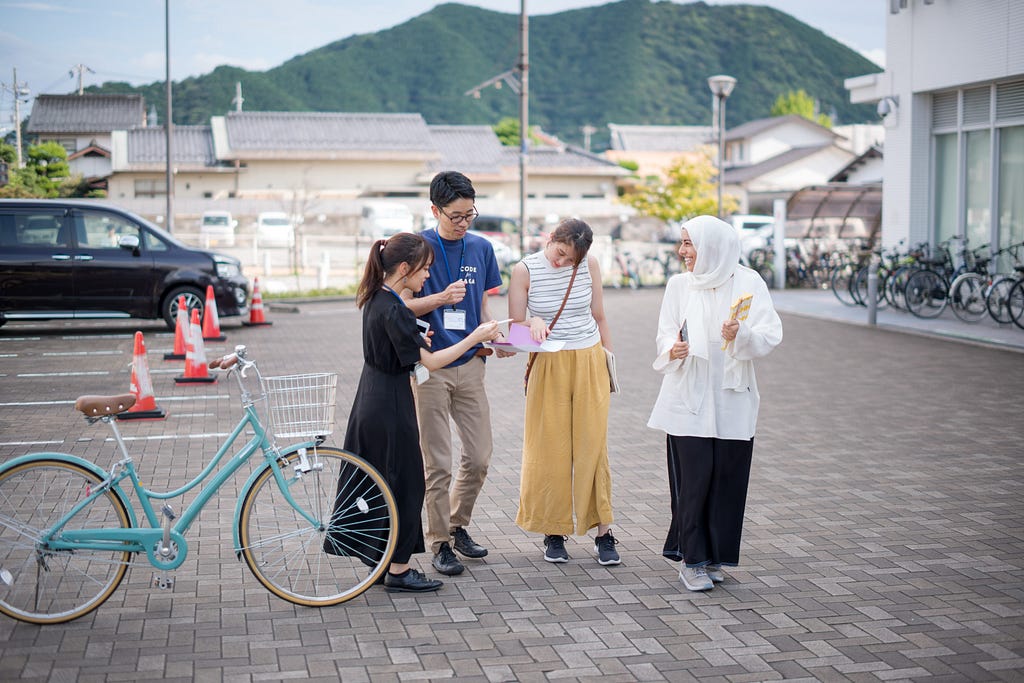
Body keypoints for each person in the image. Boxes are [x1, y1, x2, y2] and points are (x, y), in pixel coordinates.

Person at [325, 232, 500, 593]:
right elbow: (432, 362)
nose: (425, 280)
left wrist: (414, 340)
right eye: (424, 271)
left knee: (377, 478)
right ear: (405, 268)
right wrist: (474, 337)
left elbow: (403, 345)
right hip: (390, 402)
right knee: (406, 484)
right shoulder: (394, 308)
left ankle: (380, 557)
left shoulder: (377, 298)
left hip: (369, 396)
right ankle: (400, 569)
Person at [647, 215, 783, 591]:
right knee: (693, 481)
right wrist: (671, 348)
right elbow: (664, 332)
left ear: (713, 246)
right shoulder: (679, 285)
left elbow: (770, 333)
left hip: (731, 397)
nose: (682, 251)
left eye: (689, 243)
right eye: (683, 242)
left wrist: (742, 333)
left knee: (726, 478)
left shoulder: (749, 281)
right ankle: (691, 560)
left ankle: (714, 556)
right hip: (687, 396)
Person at [404, 171, 508, 577]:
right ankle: (440, 542)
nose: (464, 223)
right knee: (438, 463)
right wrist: (441, 298)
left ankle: (457, 524)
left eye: (470, 214)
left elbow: (482, 308)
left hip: (471, 365)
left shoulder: (482, 249)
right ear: (434, 210)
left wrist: (496, 338)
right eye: (455, 216)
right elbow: (400, 304)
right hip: (429, 367)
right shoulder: (417, 247)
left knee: (479, 456)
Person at [507, 217, 621, 566]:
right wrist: (532, 323)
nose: (561, 262)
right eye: (559, 253)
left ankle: (603, 531)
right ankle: (553, 531)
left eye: (569, 259)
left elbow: (599, 316)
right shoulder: (524, 270)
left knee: (593, 447)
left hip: (589, 359)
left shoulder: (590, 264)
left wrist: (607, 359)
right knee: (550, 447)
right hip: (549, 363)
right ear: (551, 238)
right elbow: (514, 331)